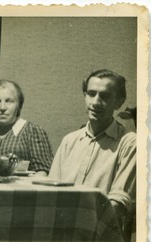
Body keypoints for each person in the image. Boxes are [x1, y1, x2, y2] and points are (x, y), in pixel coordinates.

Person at [49, 69, 136, 221]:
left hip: (100, 234)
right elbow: (50, 191)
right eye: (91, 94)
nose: (95, 102)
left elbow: (118, 203)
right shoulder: (69, 141)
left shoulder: (130, 143)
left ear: (119, 102)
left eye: (105, 96)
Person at [0, 79, 53, 176]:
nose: (3, 107)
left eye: (9, 101)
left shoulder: (32, 133)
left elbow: (42, 173)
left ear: (18, 105)